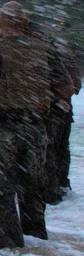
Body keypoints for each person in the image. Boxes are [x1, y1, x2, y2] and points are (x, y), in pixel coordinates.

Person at [0, 2, 73, 250]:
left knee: (0, 187)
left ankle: (9, 245)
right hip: (36, 128)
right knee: (32, 188)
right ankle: (36, 243)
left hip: (3, 127)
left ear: (0, 22)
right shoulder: (46, 51)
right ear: (25, 24)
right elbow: (65, 88)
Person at [41, 29, 80, 203]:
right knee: (62, 150)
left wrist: (54, 98)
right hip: (64, 111)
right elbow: (76, 85)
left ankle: (51, 193)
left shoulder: (43, 54)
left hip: (50, 111)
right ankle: (63, 188)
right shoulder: (64, 52)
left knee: (49, 152)